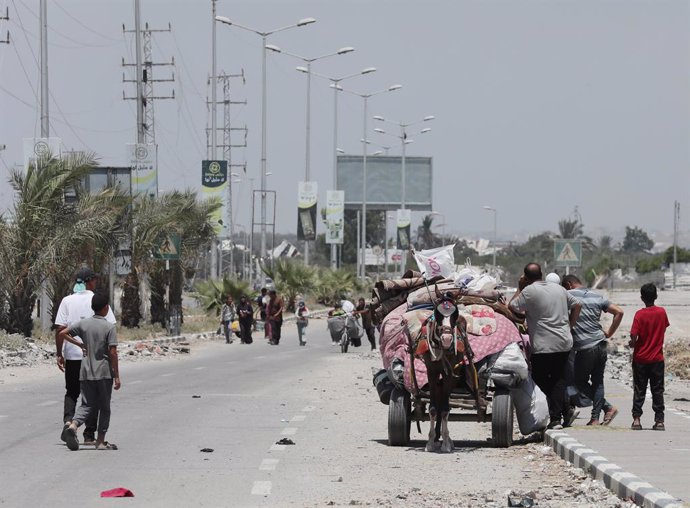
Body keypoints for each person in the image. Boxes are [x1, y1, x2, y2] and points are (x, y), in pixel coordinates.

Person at [509, 262, 582, 430]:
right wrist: (570, 325)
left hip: (542, 345)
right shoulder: (560, 289)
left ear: (526, 278)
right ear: (542, 273)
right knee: (559, 379)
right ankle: (560, 415)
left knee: (542, 381)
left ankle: (553, 416)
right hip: (563, 342)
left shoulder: (529, 291)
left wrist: (519, 288)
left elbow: (512, 306)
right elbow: (577, 305)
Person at [55, 267, 116, 446]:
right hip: (94, 358)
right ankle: (89, 435)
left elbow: (60, 330)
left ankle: (68, 422)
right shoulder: (97, 300)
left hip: (72, 356)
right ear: (90, 281)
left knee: (72, 391)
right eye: (95, 280)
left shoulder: (67, 300)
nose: (96, 283)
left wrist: (60, 353)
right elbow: (109, 325)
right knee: (94, 397)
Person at [562, 274, 623, 426]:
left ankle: (607, 407)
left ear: (569, 284)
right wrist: (609, 333)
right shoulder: (597, 296)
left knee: (579, 381)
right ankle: (595, 418)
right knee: (598, 382)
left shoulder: (567, 295)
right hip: (601, 344)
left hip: (585, 347)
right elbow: (619, 312)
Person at [629, 283, 669, 431]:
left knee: (639, 389)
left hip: (640, 358)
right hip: (657, 359)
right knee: (657, 389)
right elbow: (663, 328)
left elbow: (634, 335)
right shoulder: (662, 312)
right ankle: (659, 421)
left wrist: (633, 343)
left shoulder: (639, 314)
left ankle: (637, 419)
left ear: (641, 298)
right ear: (656, 296)